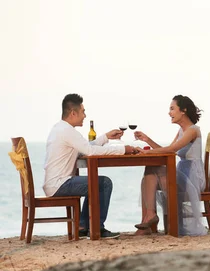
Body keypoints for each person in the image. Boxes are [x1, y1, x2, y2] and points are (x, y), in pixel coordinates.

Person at [43, 93, 138, 239]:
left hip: (56, 182)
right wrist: (123, 149)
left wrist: (106, 137)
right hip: (60, 184)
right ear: (73, 113)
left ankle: (83, 226)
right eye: (83, 112)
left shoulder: (61, 128)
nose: (85, 115)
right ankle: (97, 228)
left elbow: (85, 147)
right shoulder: (67, 131)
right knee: (103, 183)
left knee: (96, 182)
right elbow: (91, 151)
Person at [133, 95, 207, 236]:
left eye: (172, 109)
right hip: (182, 173)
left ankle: (149, 219)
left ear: (183, 110)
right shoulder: (181, 131)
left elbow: (171, 150)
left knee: (151, 169)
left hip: (193, 177)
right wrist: (147, 140)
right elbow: (168, 149)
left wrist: (147, 153)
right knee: (149, 174)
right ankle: (149, 217)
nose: (169, 113)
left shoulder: (193, 130)